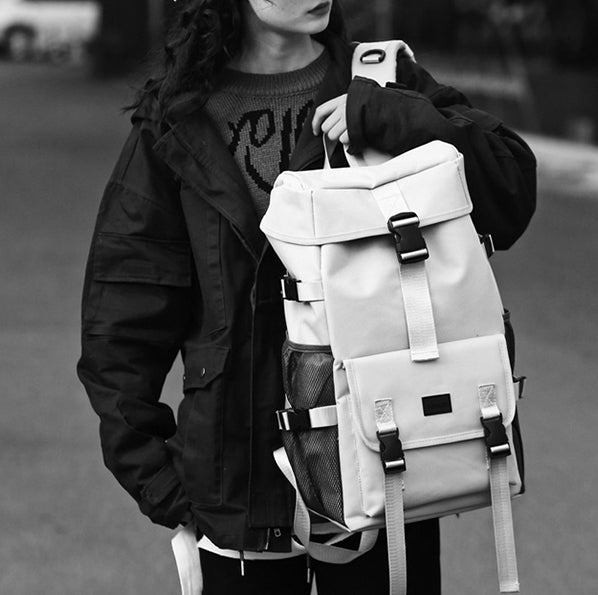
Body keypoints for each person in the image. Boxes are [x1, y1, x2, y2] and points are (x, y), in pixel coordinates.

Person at [77, 1, 536, 593]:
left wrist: (392, 117)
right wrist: (156, 478)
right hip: (238, 485)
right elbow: (124, 311)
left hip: (385, 462)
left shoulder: (379, 80)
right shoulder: (177, 118)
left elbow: (509, 190)